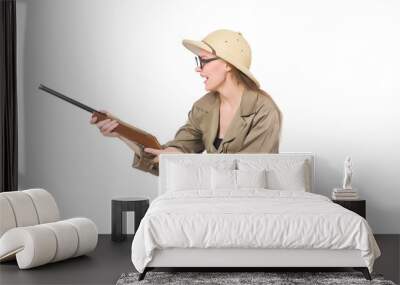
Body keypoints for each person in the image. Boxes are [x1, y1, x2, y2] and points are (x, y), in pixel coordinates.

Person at [90, 29, 283, 176]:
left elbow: (249, 174)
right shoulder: (204, 107)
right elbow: (172, 153)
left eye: (204, 61)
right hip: (210, 200)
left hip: (251, 205)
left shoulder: (264, 111)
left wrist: (185, 161)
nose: (198, 69)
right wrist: (121, 132)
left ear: (227, 64)